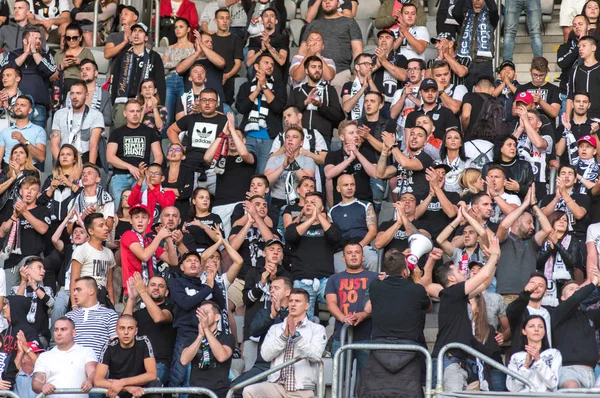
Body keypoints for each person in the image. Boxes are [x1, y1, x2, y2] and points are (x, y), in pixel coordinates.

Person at [423, 232, 501, 392]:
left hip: (458, 359)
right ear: (451, 279)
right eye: (459, 271)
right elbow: (484, 275)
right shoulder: (453, 292)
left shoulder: (452, 295)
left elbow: (485, 282)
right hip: (449, 359)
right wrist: (494, 255)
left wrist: (495, 261)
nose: (463, 273)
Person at [361, 250, 430, 396]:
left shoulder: (375, 287)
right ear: (405, 272)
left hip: (379, 348)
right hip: (410, 349)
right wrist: (417, 279)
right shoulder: (416, 289)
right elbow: (428, 306)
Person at [242, 288, 327, 398]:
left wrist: (296, 336)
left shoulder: (317, 329)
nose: (293, 304)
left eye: (297, 301)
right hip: (276, 385)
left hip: (301, 389)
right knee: (249, 391)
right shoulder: (276, 328)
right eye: (291, 301)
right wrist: (283, 337)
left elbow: (315, 356)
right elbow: (266, 356)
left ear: (307, 306)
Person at [167, 250, 226, 389]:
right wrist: (208, 288)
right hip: (186, 334)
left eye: (196, 261)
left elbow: (221, 305)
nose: (193, 262)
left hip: (208, 336)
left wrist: (212, 280)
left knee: (198, 377)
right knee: (180, 376)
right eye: (188, 260)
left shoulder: (204, 285)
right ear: (182, 267)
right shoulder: (176, 282)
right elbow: (185, 303)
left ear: (201, 267)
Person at [230, 277, 291, 398]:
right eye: (271, 288)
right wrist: (272, 316)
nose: (272, 291)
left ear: (288, 292)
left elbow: (292, 329)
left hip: (287, 367)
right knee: (233, 390)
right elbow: (253, 331)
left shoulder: (294, 311)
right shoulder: (265, 311)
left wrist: (282, 311)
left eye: (276, 288)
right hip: (264, 366)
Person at [287, 192, 341, 318]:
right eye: (307, 203)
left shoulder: (329, 226)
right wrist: (309, 218)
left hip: (326, 280)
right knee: (303, 320)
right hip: (302, 281)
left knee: (341, 304)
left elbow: (335, 238)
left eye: (314, 203)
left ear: (322, 208)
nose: (309, 205)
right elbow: (290, 236)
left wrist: (319, 216)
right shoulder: (296, 226)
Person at [325, 242, 377, 373]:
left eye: (357, 252)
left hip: (367, 336)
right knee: (339, 380)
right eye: (349, 253)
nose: (353, 256)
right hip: (341, 336)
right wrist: (344, 318)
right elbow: (331, 303)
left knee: (366, 380)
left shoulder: (375, 277)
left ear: (363, 257)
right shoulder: (334, 279)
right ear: (343, 258)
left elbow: (377, 301)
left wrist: (364, 314)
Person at [496, 186, 552, 297]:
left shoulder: (531, 244)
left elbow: (547, 229)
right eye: (529, 222)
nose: (532, 226)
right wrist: (524, 205)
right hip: (505, 295)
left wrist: (534, 206)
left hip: (528, 296)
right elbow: (503, 225)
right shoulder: (504, 240)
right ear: (516, 222)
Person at [236, 54, 287, 174]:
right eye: (266, 63)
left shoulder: (279, 86)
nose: (270, 66)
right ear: (256, 66)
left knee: (263, 175)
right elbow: (241, 108)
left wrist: (264, 87)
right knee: (244, 173)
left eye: (272, 64)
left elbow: (278, 107)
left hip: (269, 139)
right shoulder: (246, 86)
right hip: (248, 137)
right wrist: (257, 90)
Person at [299, 0, 363, 94]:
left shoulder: (350, 23)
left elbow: (358, 51)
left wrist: (357, 74)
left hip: (340, 72)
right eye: (324, 0)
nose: (327, 2)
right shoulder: (313, 24)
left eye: (331, 0)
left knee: (339, 107)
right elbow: (302, 52)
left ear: (338, 4)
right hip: (315, 74)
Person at [107, 100, 164, 204]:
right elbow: (110, 157)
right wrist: (130, 167)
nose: (135, 114)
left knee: (143, 209)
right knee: (117, 209)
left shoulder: (150, 132)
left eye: (138, 111)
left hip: (142, 176)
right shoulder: (116, 133)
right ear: (125, 113)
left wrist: (150, 172)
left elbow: (159, 155)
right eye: (132, 111)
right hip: (120, 175)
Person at [124, 274, 176, 386]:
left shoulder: (171, 309)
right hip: (136, 363)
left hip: (159, 364)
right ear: (147, 289)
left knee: (150, 386)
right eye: (152, 285)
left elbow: (158, 317)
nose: (156, 288)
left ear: (166, 292)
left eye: (161, 286)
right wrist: (132, 298)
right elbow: (124, 326)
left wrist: (142, 293)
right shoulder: (138, 313)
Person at [167, 88, 227, 187]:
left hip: (214, 168)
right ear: (198, 102)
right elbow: (171, 130)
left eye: (211, 100)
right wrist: (180, 148)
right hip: (190, 166)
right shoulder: (190, 118)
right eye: (204, 100)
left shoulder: (225, 120)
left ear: (217, 103)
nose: (207, 103)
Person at [110, 23, 166, 127]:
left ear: (146, 38)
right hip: (123, 101)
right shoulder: (122, 56)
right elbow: (115, 79)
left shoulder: (154, 57)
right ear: (130, 37)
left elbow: (160, 83)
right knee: (122, 131)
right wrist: (114, 101)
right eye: (134, 31)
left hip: (146, 102)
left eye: (140, 31)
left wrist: (159, 104)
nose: (136, 34)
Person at [0, 176, 49, 289]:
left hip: (31, 259)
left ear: (38, 193)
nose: (29, 192)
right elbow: (2, 233)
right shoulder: (11, 211)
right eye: (26, 188)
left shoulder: (42, 210)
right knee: (8, 299)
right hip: (11, 260)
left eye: (33, 189)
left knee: (34, 295)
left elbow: (43, 229)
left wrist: (25, 212)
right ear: (21, 191)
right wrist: (13, 217)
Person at [0, 28, 56, 128]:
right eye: (35, 39)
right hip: (14, 105)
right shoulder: (13, 54)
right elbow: (4, 71)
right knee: (13, 140)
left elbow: (51, 71)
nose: (39, 41)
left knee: (36, 141)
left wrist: (34, 52)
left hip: (38, 107)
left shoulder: (46, 55)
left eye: (40, 39)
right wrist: (26, 53)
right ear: (25, 41)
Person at [94, 315, 161, 397]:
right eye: (122, 328)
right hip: (117, 390)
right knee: (96, 391)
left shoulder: (144, 342)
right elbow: (97, 380)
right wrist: (127, 388)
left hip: (139, 390)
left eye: (130, 328)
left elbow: (152, 374)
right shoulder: (109, 346)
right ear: (116, 331)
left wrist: (123, 382)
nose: (126, 332)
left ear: (136, 331)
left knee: (155, 383)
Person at [120, 204, 178, 296]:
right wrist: (159, 236)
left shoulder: (150, 241)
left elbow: (173, 261)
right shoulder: (128, 234)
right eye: (136, 217)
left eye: (143, 217)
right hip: (134, 292)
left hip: (150, 292)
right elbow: (144, 256)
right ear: (130, 220)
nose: (140, 220)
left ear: (149, 220)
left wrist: (168, 239)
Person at [31, 317, 97, 398]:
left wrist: (89, 381)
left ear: (74, 332)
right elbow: (36, 382)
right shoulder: (44, 356)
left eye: (63, 329)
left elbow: (92, 372)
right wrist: (43, 386)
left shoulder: (86, 351)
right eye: (56, 330)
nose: (58, 333)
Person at [287, 55, 345, 146]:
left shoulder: (329, 90)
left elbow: (337, 116)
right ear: (306, 71)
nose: (317, 70)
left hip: (323, 138)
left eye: (320, 67)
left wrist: (321, 106)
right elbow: (288, 115)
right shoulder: (296, 91)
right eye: (313, 67)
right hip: (300, 138)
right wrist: (305, 102)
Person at [180, 302, 234, 397]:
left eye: (206, 312)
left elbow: (222, 357)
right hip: (195, 392)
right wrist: (200, 336)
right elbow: (184, 360)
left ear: (217, 317)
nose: (202, 316)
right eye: (200, 313)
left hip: (218, 392)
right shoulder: (193, 338)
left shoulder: (227, 337)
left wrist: (206, 330)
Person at [264, 126, 317, 213]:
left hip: (300, 204)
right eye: (287, 137)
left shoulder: (308, 160)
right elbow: (266, 182)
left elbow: (308, 182)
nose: (290, 139)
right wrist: (282, 167)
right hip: (277, 204)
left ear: (301, 142)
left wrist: (293, 163)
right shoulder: (274, 159)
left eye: (294, 137)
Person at [324, 120, 378, 206]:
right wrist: (350, 159)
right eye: (351, 133)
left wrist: (357, 154)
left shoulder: (366, 153)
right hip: (341, 204)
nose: (356, 135)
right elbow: (328, 174)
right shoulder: (333, 155)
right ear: (342, 137)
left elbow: (375, 173)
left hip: (364, 202)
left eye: (357, 133)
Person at [51, 82, 105, 164]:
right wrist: (62, 165)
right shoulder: (59, 114)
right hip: (64, 157)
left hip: (84, 157)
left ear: (86, 95)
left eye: (78, 93)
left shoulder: (96, 115)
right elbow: (54, 145)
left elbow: (93, 146)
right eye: (72, 93)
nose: (74, 97)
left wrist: (89, 168)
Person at [66, 277, 118, 359]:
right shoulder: (69, 317)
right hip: (71, 364)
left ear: (91, 291)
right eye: (74, 290)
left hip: (98, 366)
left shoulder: (110, 315)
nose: (74, 294)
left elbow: (116, 345)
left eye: (78, 290)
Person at [506, 315, 561, 392]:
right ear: (524, 331)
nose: (536, 329)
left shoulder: (554, 354)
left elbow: (552, 384)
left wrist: (538, 360)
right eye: (531, 326)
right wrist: (525, 366)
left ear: (545, 332)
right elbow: (512, 388)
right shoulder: (516, 357)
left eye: (540, 327)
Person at [377, 126, 434, 200]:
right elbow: (380, 174)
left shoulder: (425, 158)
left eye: (419, 135)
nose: (414, 137)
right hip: (402, 206)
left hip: (418, 205)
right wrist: (384, 152)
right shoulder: (403, 158)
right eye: (412, 134)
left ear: (425, 142)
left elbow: (406, 164)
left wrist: (392, 145)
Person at [452, 0, 499, 89]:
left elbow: (493, 10)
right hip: (466, 63)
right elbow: (455, 12)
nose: (477, 1)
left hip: (485, 63)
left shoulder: (491, 17)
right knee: (466, 94)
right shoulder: (465, 16)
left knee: (485, 96)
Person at [12, 256, 54, 346]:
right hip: (20, 335)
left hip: (40, 336)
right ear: (28, 270)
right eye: (39, 268)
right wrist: (24, 281)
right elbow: (15, 306)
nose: (43, 271)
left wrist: (33, 285)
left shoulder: (46, 290)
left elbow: (50, 303)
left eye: (43, 268)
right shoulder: (16, 289)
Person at [163, 17, 195, 128]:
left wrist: (174, 63)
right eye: (176, 27)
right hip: (170, 80)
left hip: (185, 80)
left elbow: (192, 65)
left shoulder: (193, 47)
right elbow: (164, 65)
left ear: (188, 29)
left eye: (181, 27)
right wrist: (182, 63)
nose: (177, 29)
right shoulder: (170, 47)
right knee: (166, 115)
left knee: (183, 113)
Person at [211, 8, 244, 107]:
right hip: (212, 77)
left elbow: (238, 64)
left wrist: (227, 76)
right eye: (221, 18)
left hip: (229, 78)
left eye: (227, 18)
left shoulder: (236, 39)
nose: (225, 21)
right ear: (215, 20)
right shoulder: (210, 39)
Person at [0, 95, 46, 167]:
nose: (18, 107)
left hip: (29, 171)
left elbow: (41, 157)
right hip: (8, 170)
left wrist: (24, 141)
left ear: (30, 110)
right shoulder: (5, 132)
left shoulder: (39, 130)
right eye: (16, 105)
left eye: (22, 105)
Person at [53, 24, 94, 100]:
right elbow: (52, 76)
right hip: (63, 85)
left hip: (81, 84)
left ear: (80, 38)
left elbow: (93, 73)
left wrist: (81, 63)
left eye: (74, 38)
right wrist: (62, 66)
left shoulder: (87, 53)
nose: (71, 41)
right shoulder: (59, 54)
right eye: (68, 38)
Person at [371, 29, 408, 116]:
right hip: (373, 102)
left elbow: (403, 76)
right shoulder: (370, 58)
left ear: (394, 42)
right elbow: (362, 76)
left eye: (388, 37)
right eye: (381, 38)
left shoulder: (400, 58)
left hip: (393, 103)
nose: (383, 40)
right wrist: (375, 66)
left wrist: (383, 61)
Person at [128, 163, 176, 227]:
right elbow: (130, 202)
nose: (152, 176)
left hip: (161, 230)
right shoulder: (142, 195)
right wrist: (140, 180)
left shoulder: (169, 193)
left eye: (156, 173)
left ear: (162, 178)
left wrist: (150, 185)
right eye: (150, 173)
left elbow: (167, 206)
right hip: (143, 230)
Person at [556, 92, 598, 165]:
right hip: (568, 172)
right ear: (572, 104)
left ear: (589, 105)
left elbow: (599, 153)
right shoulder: (562, 127)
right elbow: (558, 152)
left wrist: (594, 134)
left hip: (589, 172)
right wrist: (566, 130)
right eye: (578, 101)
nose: (581, 104)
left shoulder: (596, 126)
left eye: (585, 102)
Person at [514, 57, 561, 123]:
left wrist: (540, 101)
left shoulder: (554, 89)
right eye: (535, 75)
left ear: (547, 73)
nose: (538, 78)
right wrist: (529, 104)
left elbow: (554, 113)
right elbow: (514, 112)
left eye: (541, 75)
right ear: (530, 71)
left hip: (547, 127)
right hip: (525, 126)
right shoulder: (522, 88)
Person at [566, 36, 600, 120]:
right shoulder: (575, 70)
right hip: (579, 119)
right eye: (579, 47)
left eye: (584, 46)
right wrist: (567, 117)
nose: (580, 49)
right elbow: (570, 96)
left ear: (593, 48)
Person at [162, 143, 195, 221]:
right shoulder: (162, 171)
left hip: (182, 210)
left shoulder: (188, 171)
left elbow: (187, 192)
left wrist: (166, 190)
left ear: (183, 157)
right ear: (167, 155)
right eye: (170, 150)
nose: (173, 152)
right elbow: (158, 192)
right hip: (164, 209)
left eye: (177, 150)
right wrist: (178, 192)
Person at [341, 53, 378, 121]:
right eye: (366, 64)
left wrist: (370, 80)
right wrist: (362, 89)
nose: (369, 66)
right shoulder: (348, 85)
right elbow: (346, 108)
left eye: (371, 64)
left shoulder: (374, 85)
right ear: (357, 67)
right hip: (354, 125)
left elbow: (380, 103)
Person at [77, 59, 113, 128]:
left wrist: (88, 119)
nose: (84, 72)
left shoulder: (104, 94)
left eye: (88, 69)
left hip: (95, 133)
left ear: (96, 73)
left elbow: (108, 119)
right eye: (82, 70)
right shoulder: (72, 93)